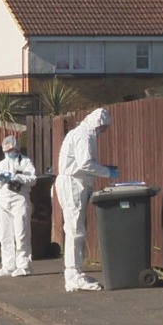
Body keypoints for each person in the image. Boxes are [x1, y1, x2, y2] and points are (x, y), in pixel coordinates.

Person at [55, 107, 117, 292]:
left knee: (75, 228)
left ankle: (75, 272)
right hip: (73, 183)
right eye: (104, 127)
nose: (104, 131)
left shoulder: (80, 133)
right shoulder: (84, 135)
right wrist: (107, 172)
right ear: (98, 123)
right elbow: (85, 164)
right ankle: (73, 274)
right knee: (75, 229)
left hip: (73, 182)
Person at [0, 135, 39, 277]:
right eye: (7, 151)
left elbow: (33, 179)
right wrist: (1, 179)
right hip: (4, 201)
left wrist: (17, 177)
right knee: (5, 235)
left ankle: (24, 266)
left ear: (17, 149)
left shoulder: (25, 162)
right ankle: (8, 265)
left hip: (20, 200)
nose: (10, 153)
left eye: (12, 150)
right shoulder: (1, 164)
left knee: (22, 233)